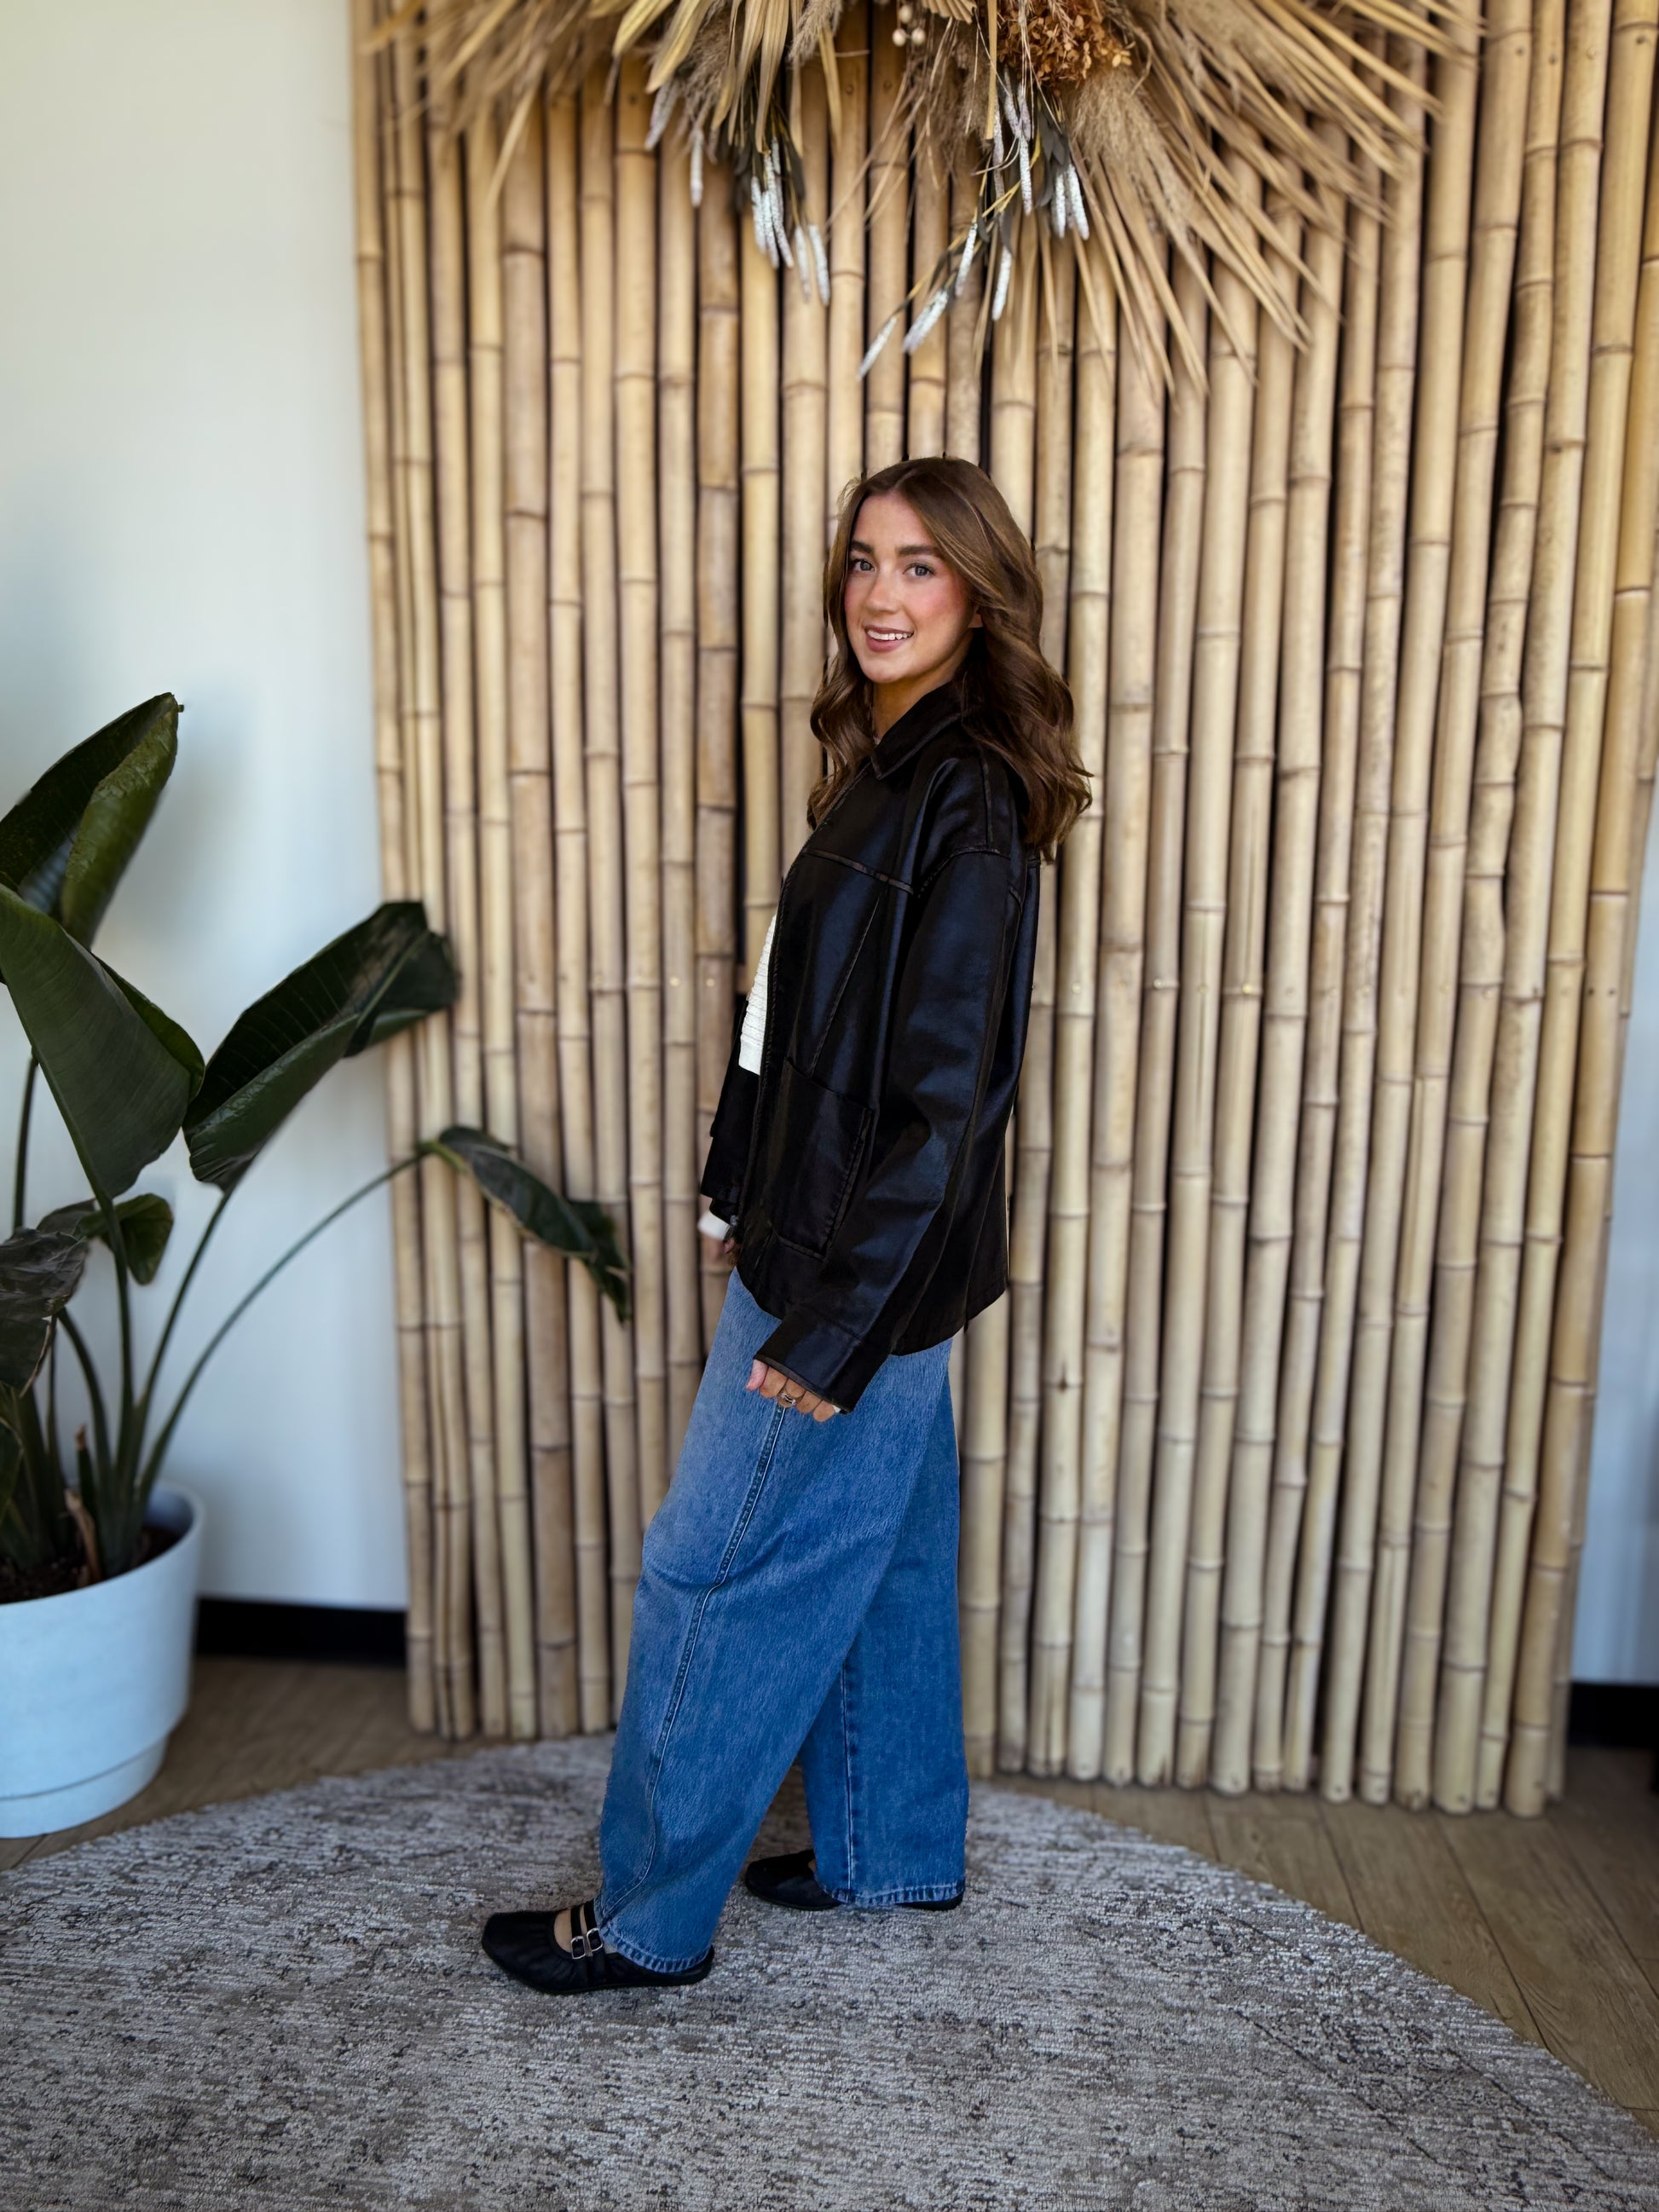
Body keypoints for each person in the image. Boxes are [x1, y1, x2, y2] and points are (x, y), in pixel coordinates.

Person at [482, 454, 1089, 1995]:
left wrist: (832, 1323)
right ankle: (889, 1848)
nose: (880, 594)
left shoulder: (963, 796)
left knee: (713, 1572)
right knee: (888, 1561)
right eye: (864, 560)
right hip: (833, 1242)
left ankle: (644, 1922)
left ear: (979, 597)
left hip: (850, 1273)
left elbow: (946, 1102)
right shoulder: (889, 764)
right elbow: (788, 1015)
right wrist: (734, 1183)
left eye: (920, 567)